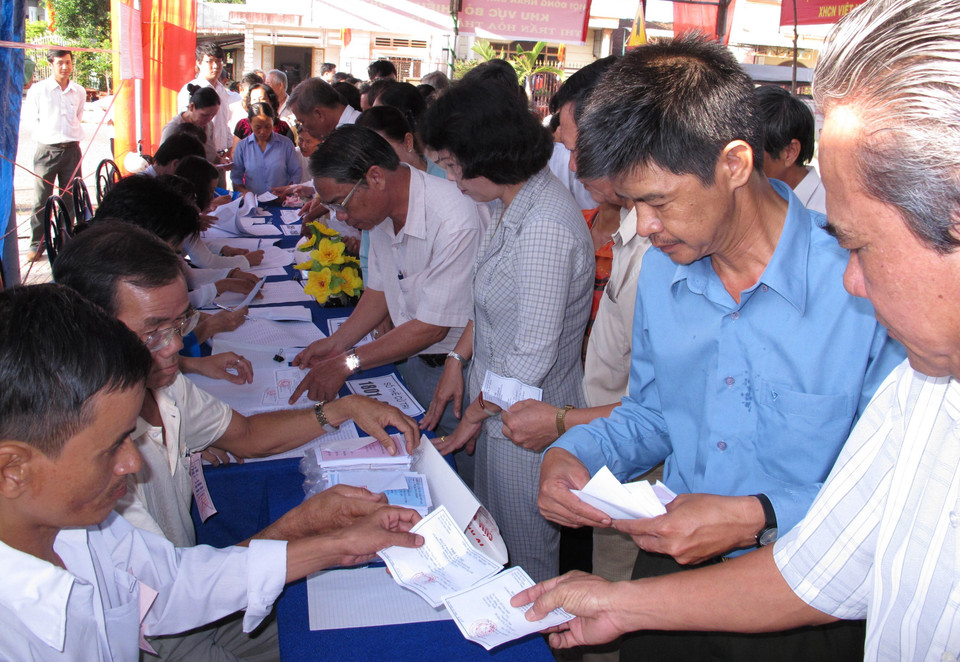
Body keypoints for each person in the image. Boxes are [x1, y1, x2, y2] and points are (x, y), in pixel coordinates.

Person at [515, 2, 960, 660]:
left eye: (658, 202)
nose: (645, 228)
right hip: (671, 571)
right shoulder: (667, 277)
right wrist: (578, 452)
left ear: (733, 163)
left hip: (807, 611)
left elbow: (882, 498)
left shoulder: (877, 290)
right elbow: (657, 411)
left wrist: (757, 512)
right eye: (630, 205)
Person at [0, 283, 424, 661]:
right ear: (11, 469)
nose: (132, 464)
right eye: (111, 448)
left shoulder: (81, 524)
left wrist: (330, 544)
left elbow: (169, 585)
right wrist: (313, 533)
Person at [420, 80, 594, 583]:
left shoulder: (544, 225)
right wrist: (459, 361)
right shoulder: (510, 205)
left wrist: (472, 415)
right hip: (500, 411)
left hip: (526, 423)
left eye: (454, 166)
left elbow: (529, 357)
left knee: (526, 562)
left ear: (487, 153)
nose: (453, 181)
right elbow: (492, 305)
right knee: (497, 547)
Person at [289, 125, 482, 443]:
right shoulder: (379, 213)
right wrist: (338, 343)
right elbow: (379, 291)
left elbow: (432, 327)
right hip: (415, 365)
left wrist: (347, 361)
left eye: (341, 204)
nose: (340, 218)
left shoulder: (453, 218)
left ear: (376, 177)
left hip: (460, 375)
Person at [24, 49, 86, 262]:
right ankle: (37, 243)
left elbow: (78, 117)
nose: (64, 67)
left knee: (69, 196)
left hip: (72, 150)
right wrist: (49, 138)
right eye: (60, 63)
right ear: (51, 64)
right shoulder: (38, 90)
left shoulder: (79, 91)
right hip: (47, 151)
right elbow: (32, 121)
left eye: (68, 62)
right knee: (42, 198)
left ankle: (64, 239)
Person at [754, 85, 826, 214]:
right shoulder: (755, 198)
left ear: (789, 153)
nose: (740, 164)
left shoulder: (828, 214)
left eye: (750, 152)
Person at [177, 43, 233, 160]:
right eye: (210, 61)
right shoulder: (190, 90)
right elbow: (186, 125)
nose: (215, 66)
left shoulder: (222, 91)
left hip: (220, 155)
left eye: (219, 61)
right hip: (199, 156)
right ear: (199, 62)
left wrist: (230, 146)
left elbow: (224, 122)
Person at [231, 102, 302, 195]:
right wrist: (246, 193)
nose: (263, 132)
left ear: (273, 121)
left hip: (281, 201)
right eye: (258, 127)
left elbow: (296, 173)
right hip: (254, 202)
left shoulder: (285, 144)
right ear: (250, 123)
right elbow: (236, 177)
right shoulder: (242, 147)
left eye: (267, 126)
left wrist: (286, 191)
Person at [162, 85, 223, 165]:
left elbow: (210, 152)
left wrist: (220, 160)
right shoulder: (173, 127)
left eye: (213, 115)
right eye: (204, 115)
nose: (209, 119)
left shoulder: (209, 125)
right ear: (191, 107)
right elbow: (163, 160)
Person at [288, 76, 361, 141]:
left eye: (303, 122)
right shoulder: (339, 132)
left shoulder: (359, 131)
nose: (304, 129)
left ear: (318, 114)